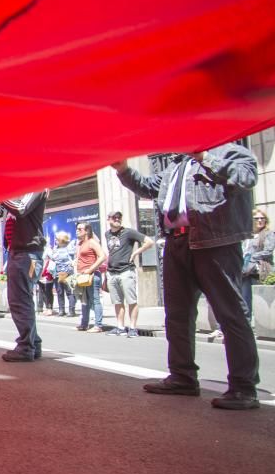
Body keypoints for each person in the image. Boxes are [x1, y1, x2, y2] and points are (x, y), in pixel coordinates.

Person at [112, 146, 261, 409]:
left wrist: (205, 158)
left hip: (216, 243)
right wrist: (123, 170)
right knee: (177, 315)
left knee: (231, 314)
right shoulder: (176, 164)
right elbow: (149, 187)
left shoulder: (232, 152)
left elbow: (246, 178)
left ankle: (243, 386)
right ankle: (182, 376)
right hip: (176, 242)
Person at [0, 190, 48, 362]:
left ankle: (26, 347)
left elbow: (21, 208)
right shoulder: (18, 193)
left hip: (27, 254)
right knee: (22, 300)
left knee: (20, 300)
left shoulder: (37, 187)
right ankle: (33, 343)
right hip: (19, 253)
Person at [103, 211, 154, 337]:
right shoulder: (107, 234)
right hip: (112, 272)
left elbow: (149, 242)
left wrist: (136, 253)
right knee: (117, 301)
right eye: (114, 217)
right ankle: (120, 327)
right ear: (108, 219)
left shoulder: (128, 232)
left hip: (126, 270)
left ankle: (132, 328)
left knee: (131, 300)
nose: (117, 219)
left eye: (119, 217)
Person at [241, 208, 274, 325]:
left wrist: (252, 257)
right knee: (245, 299)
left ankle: (265, 325)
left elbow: (268, 251)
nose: (260, 220)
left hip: (260, 271)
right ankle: (247, 324)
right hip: (245, 271)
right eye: (257, 218)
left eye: (262, 218)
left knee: (261, 299)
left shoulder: (268, 234)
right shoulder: (247, 235)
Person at [73, 222, 106, 333]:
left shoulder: (92, 242)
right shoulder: (80, 243)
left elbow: (102, 256)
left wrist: (90, 269)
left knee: (95, 300)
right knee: (84, 300)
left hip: (92, 275)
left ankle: (98, 325)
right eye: (77, 229)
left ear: (87, 230)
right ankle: (84, 324)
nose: (77, 231)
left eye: (80, 229)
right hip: (82, 276)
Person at [50, 231, 77, 317]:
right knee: (59, 292)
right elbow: (53, 258)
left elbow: (72, 259)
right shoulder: (55, 248)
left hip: (68, 273)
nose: (56, 241)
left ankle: (71, 310)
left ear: (62, 240)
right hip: (58, 273)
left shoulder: (69, 248)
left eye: (57, 239)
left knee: (70, 292)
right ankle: (61, 310)